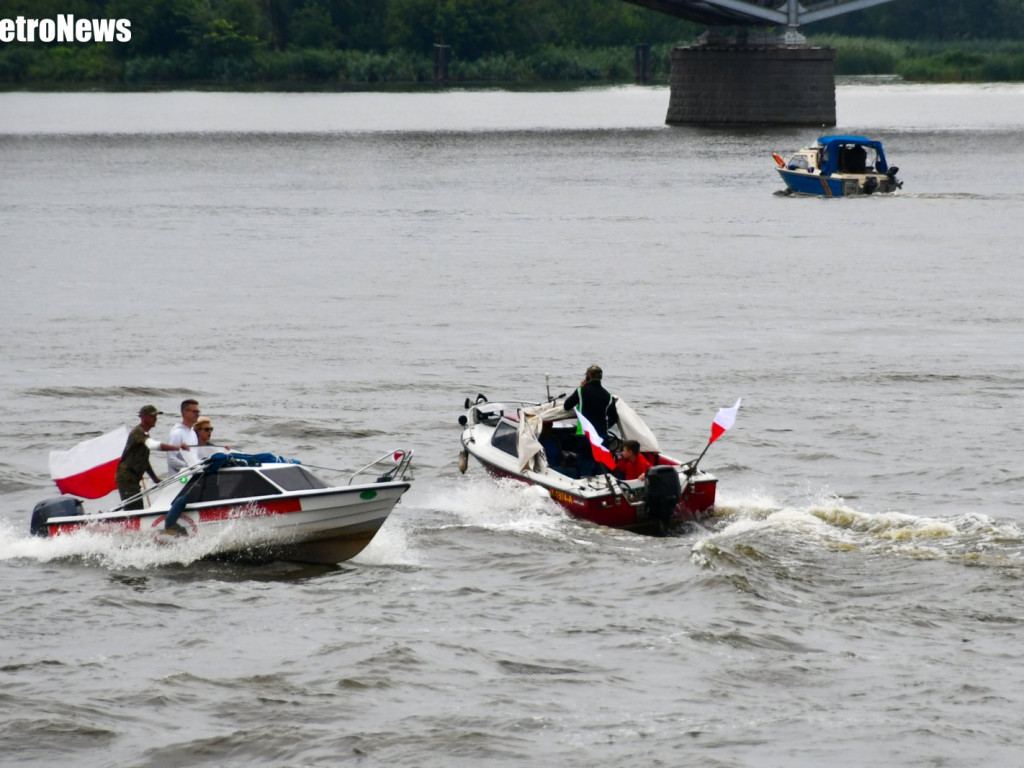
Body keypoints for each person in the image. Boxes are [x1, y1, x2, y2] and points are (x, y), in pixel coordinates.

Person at [115, 405, 189, 512]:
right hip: (127, 477)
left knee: (136, 507)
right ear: (144, 417)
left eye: (156, 416)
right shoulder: (138, 431)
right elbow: (152, 445)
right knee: (134, 509)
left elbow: (144, 461)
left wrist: (154, 478)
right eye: (152, 416)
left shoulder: (145, 434)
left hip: (133, 477)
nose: (155, 419)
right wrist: (177, 447)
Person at [167, 399, 200, 473]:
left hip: (193, 477)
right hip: (179, 481)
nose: (197, 414)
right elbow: (171, 459)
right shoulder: (176, 433)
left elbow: (194, 457)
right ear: (184, 412)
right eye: (194, 412)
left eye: (198, 412)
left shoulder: (193, 433)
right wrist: (189, 467)